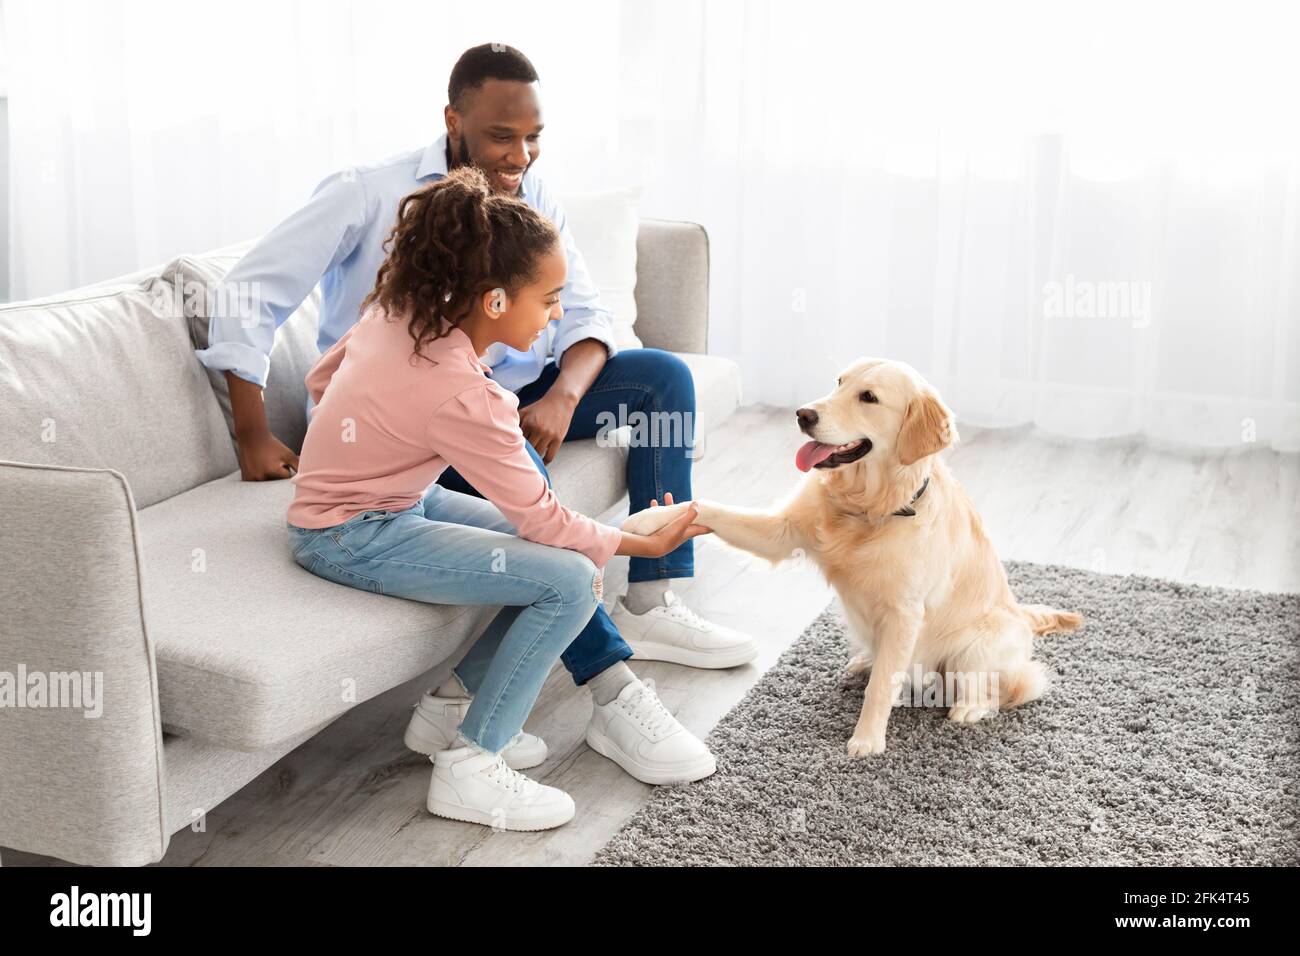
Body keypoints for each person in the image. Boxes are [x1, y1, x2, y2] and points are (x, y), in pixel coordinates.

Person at [198, 43, 757, 785]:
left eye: (533, 138)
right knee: (552, 546)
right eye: (502, 136)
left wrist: (560, 397)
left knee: (660, 378)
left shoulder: (527, 207)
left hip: (486, 391)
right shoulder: (369, 194)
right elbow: (256, 298)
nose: (520, 155)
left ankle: (645, 609)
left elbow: (584, 314)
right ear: (453, 121)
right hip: (422, 412)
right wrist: (256, 429)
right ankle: (608, 694)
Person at [287, 166, 710, 829]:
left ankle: (450, 710)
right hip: (350, 534)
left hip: (391, 504)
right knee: (570, 577)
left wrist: (367, 446)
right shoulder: (463, 392)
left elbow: (320, 379)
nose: (558, 314)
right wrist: (643, 541)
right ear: (493, 302)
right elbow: (542, 518)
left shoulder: (400, 311)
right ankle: (469, 768)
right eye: (548, 299)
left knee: (549, 561)